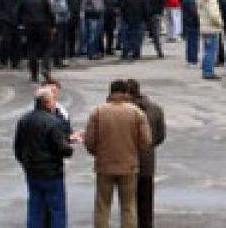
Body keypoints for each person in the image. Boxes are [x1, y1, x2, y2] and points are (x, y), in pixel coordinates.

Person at [84, 80, 152, 228]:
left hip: (104, 166)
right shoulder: (136, 113)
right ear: (126, 93)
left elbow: (89, 141)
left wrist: (98, 154)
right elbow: (146, 141)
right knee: (128, 207)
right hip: (129, 166)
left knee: (102, 206)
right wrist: (134, 152)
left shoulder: (98, 112)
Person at [14, 86, 74, 228]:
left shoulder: (24, 120)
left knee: (35, 209)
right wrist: (69, 146)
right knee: (57, 210)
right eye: (53, 100)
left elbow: (18, 147)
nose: (55, 103)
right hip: (52, 173)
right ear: (46, 102)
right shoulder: (54, 122)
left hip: (32, 172)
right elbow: (63, 149)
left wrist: (26, 163)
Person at [125, 80, 165, 228]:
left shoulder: (125, 112)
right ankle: (146, 224)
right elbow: (161, 135)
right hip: (147, 159)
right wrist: (150, 145)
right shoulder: (155, 110)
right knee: (146, 198)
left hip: (127, 160)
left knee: (128, 200)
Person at [19, 0, 56, 83]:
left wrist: (21, 24)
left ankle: (34, 75)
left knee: (31, 50)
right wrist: (53, 25)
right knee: (47, 48)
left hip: (29, 27)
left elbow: (18, 13)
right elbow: (50, 13)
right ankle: (45, 66)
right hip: (43, 26)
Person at [196, 0, 224, 80]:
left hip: (204, 28)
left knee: (206, 50)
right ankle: (208, 72)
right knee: (211, 51)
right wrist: (220, 23)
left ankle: (205, 70)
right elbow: (214, 15)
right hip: (211, 28)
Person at [0, 0, 24, 71]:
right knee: (5, 42)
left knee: (17, 43)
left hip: (17, 22)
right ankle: (2, 62)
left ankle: (16, 62)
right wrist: (3, 18)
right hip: (6, 22)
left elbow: (23, 5)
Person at [181, 0, 200, 66]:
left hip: (188, 22)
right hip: (192, 23)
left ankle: (190, 59)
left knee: (190, 42)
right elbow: (194, 12)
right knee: (193, 42)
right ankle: (193, 59)